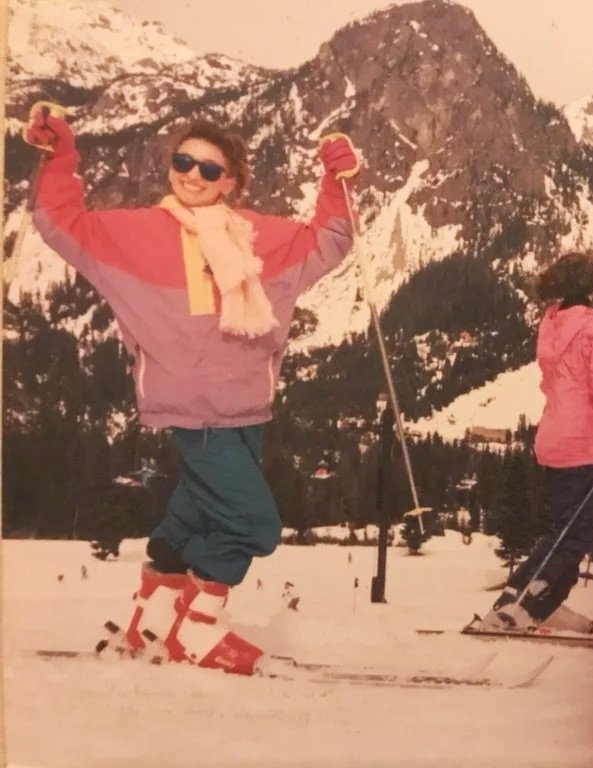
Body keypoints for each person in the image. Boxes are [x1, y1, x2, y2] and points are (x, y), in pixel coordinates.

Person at [24, 106, 360, 674]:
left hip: (248, 409)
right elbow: (60, 221)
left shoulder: (261, 238)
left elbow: (330, 238)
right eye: (183, 162)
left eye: (209, 169)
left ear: (231, 181)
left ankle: (152, 617)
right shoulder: (134, 234)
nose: (192, 176)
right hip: (194, 413)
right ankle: (196, 630)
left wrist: (337, 178)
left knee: (197, 514)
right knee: (253, 525)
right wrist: (60, 155)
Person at [478, 251, 593, 631]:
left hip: (554, 440)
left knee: (564, 529)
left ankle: (542, 604)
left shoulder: (551, 324)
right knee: (573, 535)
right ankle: (518, 607)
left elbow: (567, 375)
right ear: (592, 286)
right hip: (585, 442)